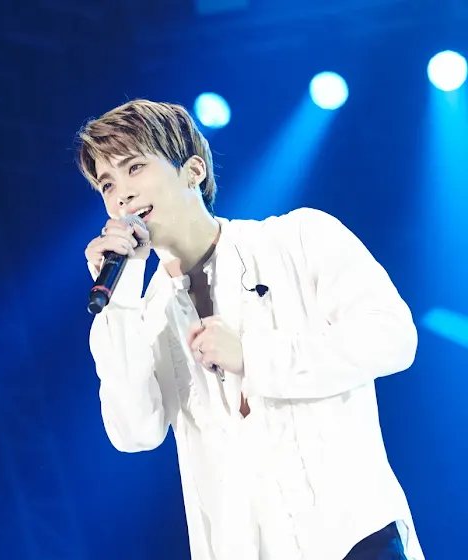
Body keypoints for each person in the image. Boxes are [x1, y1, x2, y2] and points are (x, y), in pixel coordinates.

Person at [77, 99, 424, 560]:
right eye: (107, 183)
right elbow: (134, 431)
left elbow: (392, 337)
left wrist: (253, 356)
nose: (120, 194)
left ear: (193, 171)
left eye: (135, 167)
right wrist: (120, 300)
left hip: (353, 539)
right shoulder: (145, 316)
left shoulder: (299, 238)